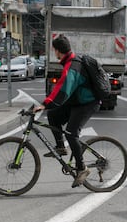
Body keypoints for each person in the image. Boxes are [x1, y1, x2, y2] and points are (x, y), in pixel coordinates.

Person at [31, 34, 100, 188]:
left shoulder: (72, 65)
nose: (54, 53)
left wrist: (45, 103)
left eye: (54, 50)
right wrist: (49, 106)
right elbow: (61, 89)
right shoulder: (69, 61)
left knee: (71, 133)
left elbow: (63, 89)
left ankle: (82, 168)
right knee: (53, 115)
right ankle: (61, 147)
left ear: (57, 51)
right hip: (78, 101)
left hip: (88, 103)